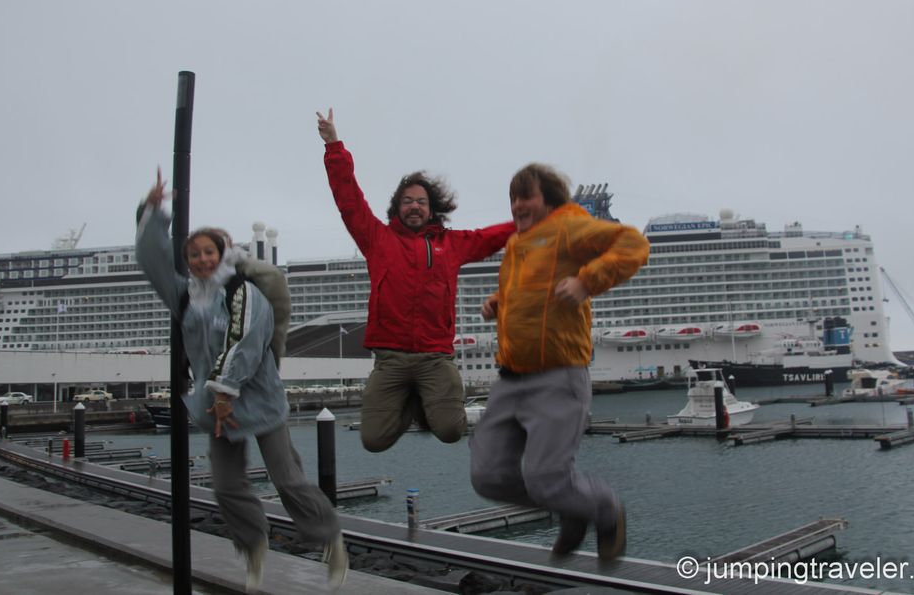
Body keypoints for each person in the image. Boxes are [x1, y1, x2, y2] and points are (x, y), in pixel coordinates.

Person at [136, 168, 348, 592]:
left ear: (223, 253)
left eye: (208, 252)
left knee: (288, 480)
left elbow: (246, 342)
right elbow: (151, 261)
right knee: (226, 486)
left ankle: (330, 538)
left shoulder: (243, 292)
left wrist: (224, 391)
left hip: (258, 399)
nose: (201, 260)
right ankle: (253, 546)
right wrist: (153, 212)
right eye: (193, 254)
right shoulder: (185, 296)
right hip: (216, 406)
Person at [469, 163, 650, 560]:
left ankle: (604, 508)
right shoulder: (517, 243)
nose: (517, 205)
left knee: (545, 478)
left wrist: (586, 282)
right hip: (510, 378)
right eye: (513, 197)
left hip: (557, 376)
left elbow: (634, 243)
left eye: (526, 196)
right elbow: (531, 290)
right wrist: (498, 303)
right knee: (487, 476)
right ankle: (572, 505)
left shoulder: (569, 226)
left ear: (549, 200)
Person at [316, 108, 515, 452]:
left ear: (431, 209)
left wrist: (531, 221)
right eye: (407, 201)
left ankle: (424, 396)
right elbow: (348, 200)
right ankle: (411, 400)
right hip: (390, 358)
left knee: (451, 431)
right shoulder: (376, 238)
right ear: (397, 207)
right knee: (373, 440)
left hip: (435, 357)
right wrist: (334, 146)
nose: (414, 207)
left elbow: (490, 237)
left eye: (421, 202)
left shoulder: (451, 243)